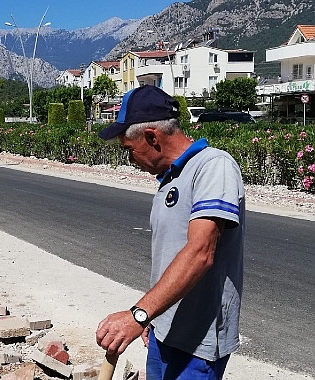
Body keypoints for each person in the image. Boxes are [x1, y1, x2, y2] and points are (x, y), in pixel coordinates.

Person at [95, 85, 245, 380]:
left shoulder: (214, 166)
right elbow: (170, 257)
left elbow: (200, 253)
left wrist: (139, 314)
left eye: (129, 149)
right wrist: (155, 315)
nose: (130, 159)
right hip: (164, 332)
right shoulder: (170, 178)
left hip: (197, 345)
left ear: (152, 136)